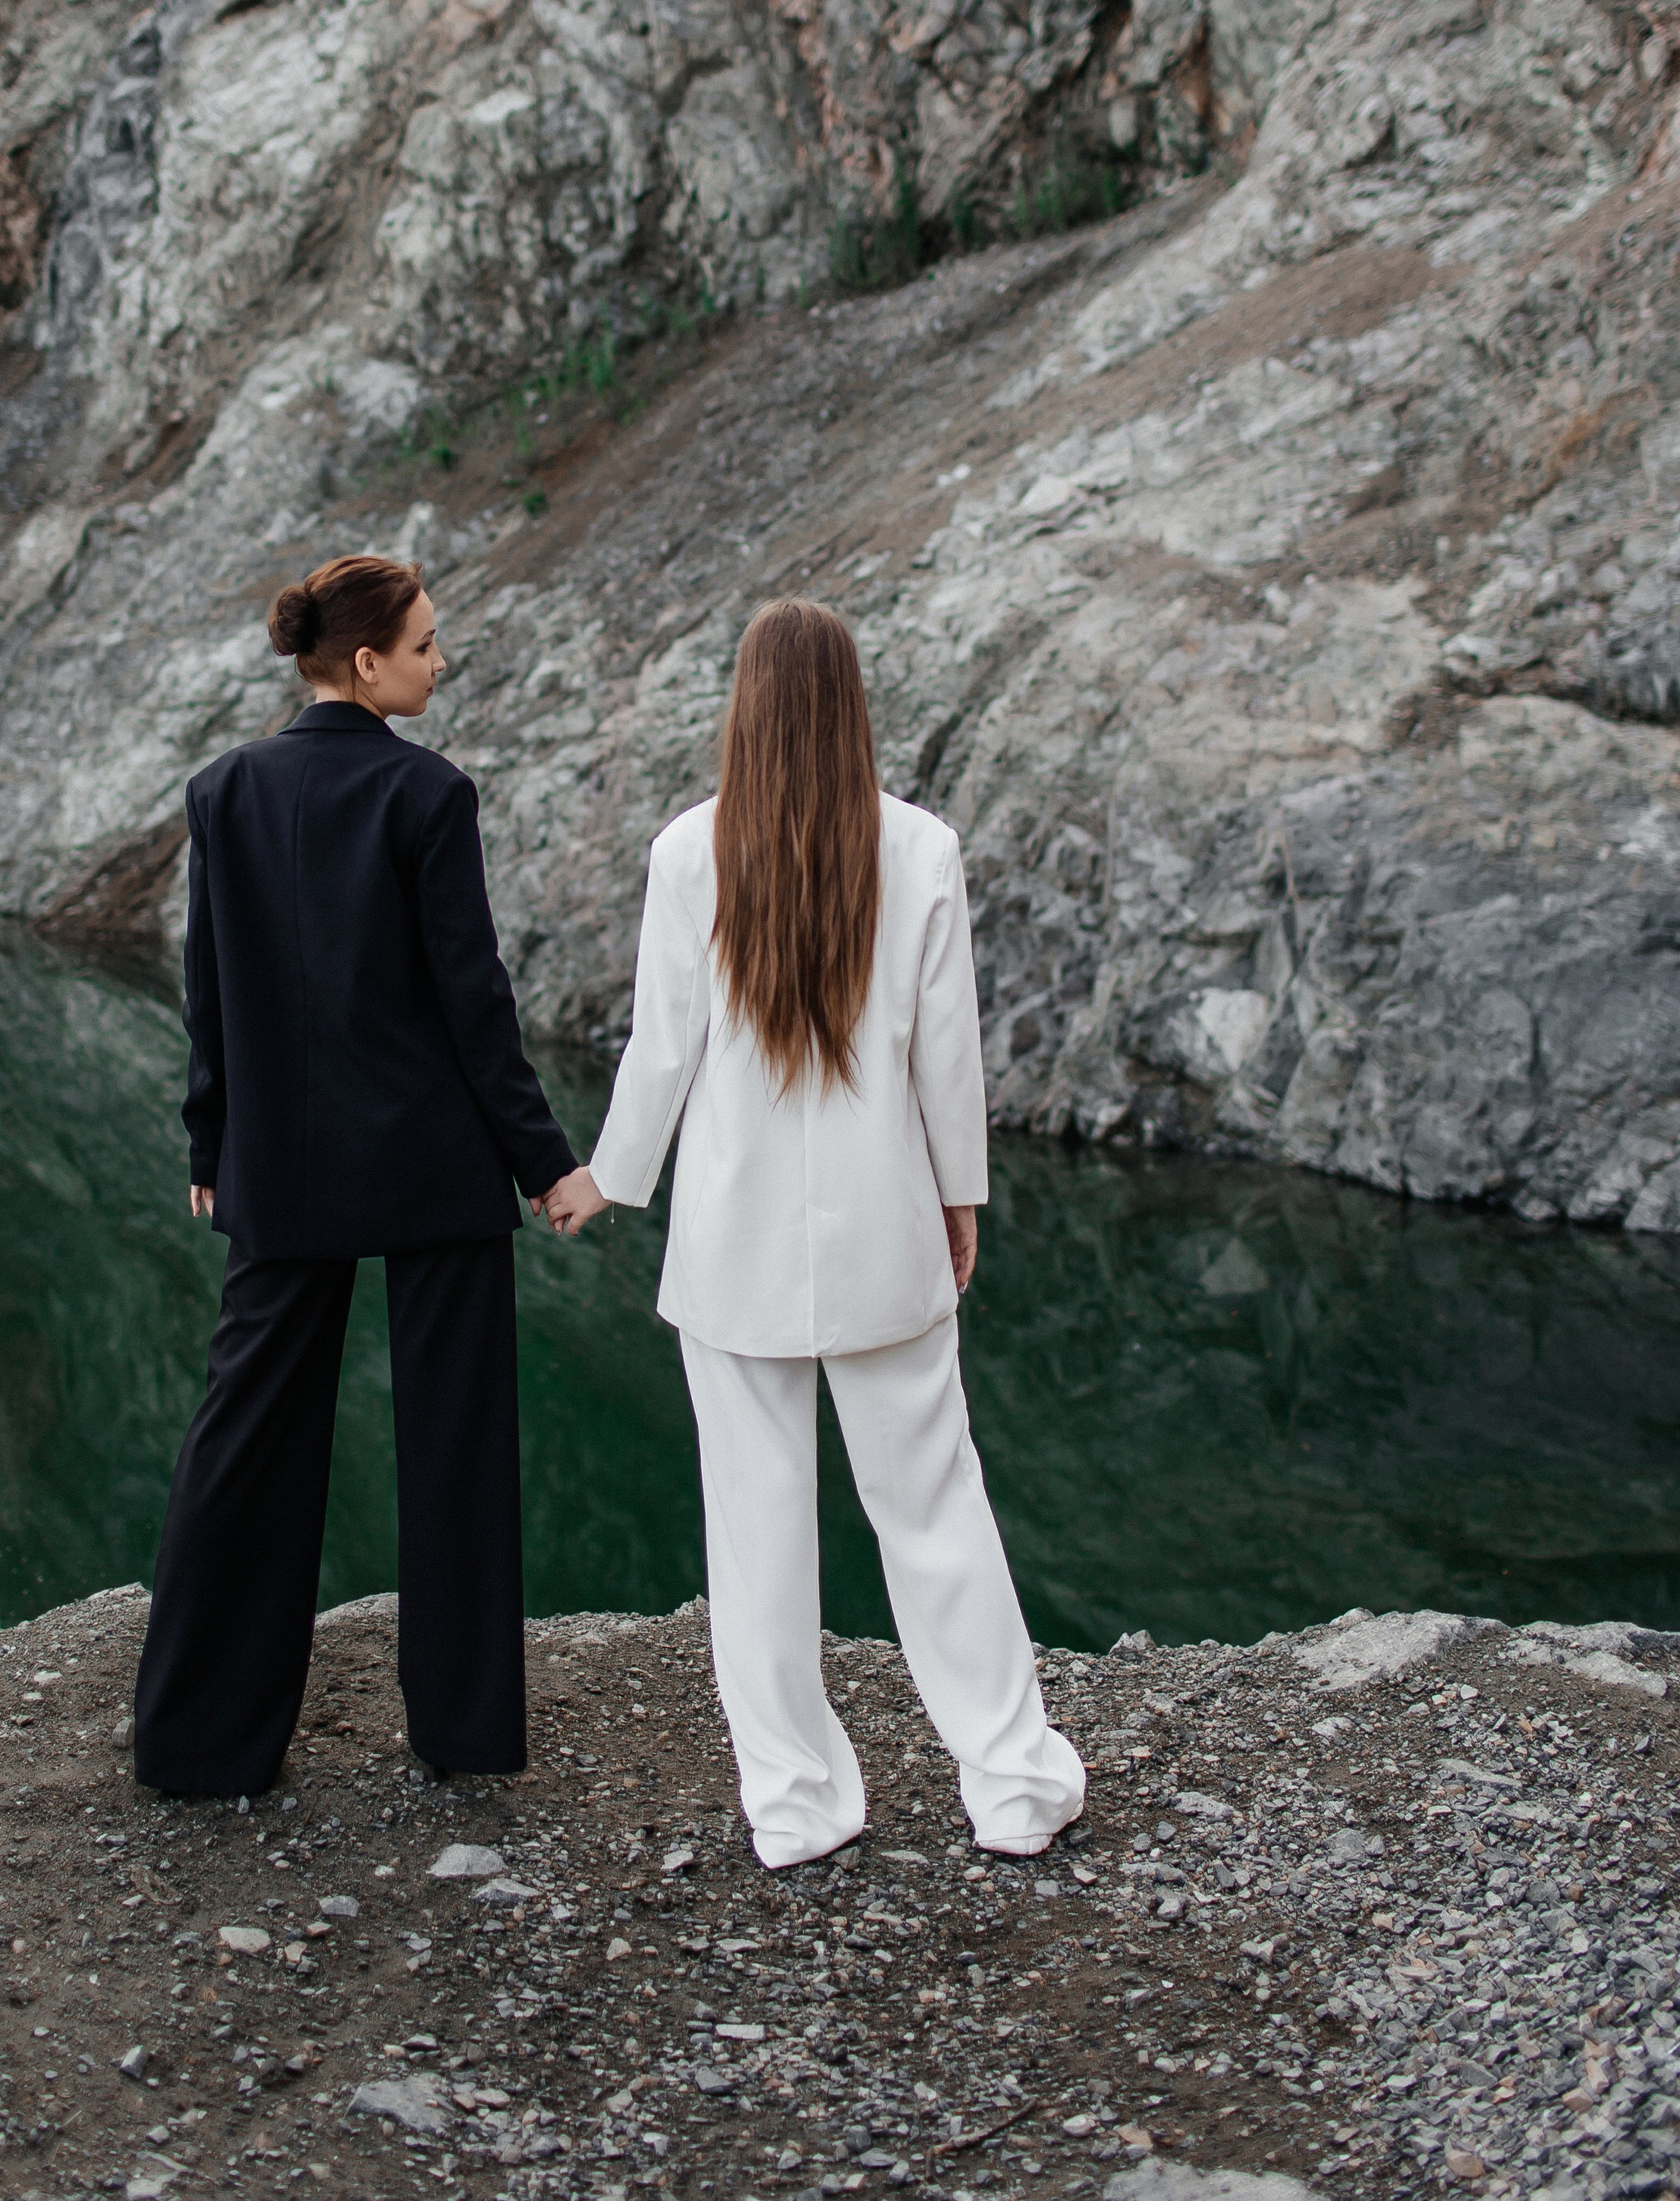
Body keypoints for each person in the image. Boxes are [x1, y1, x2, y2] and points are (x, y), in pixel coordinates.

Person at [548, 600, 1084, 1869]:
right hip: (884, 1235)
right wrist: (960, 1197)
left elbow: (662, 1051)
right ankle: (1014, 1786)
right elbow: (947, 1055)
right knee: (936, 1508)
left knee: (757, 1534)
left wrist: (606, 1180)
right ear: (851, 703)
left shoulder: (690, 852)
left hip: (729, 1248)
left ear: (743, 705)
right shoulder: (922, 847)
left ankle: (796, 1807)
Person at [133, 553, 581, 1799]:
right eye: (427, 645)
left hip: (280, 1163)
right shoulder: (428, 793)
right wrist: (543, 1162)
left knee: (245, 1444)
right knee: (456, 1447)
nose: (442, 663)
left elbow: (208, 987)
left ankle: (199, 1745)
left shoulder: (224, 789)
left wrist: (211, 1143)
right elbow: (473, 1003)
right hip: (432, 1163)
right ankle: (464, 1733)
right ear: (368, 662)